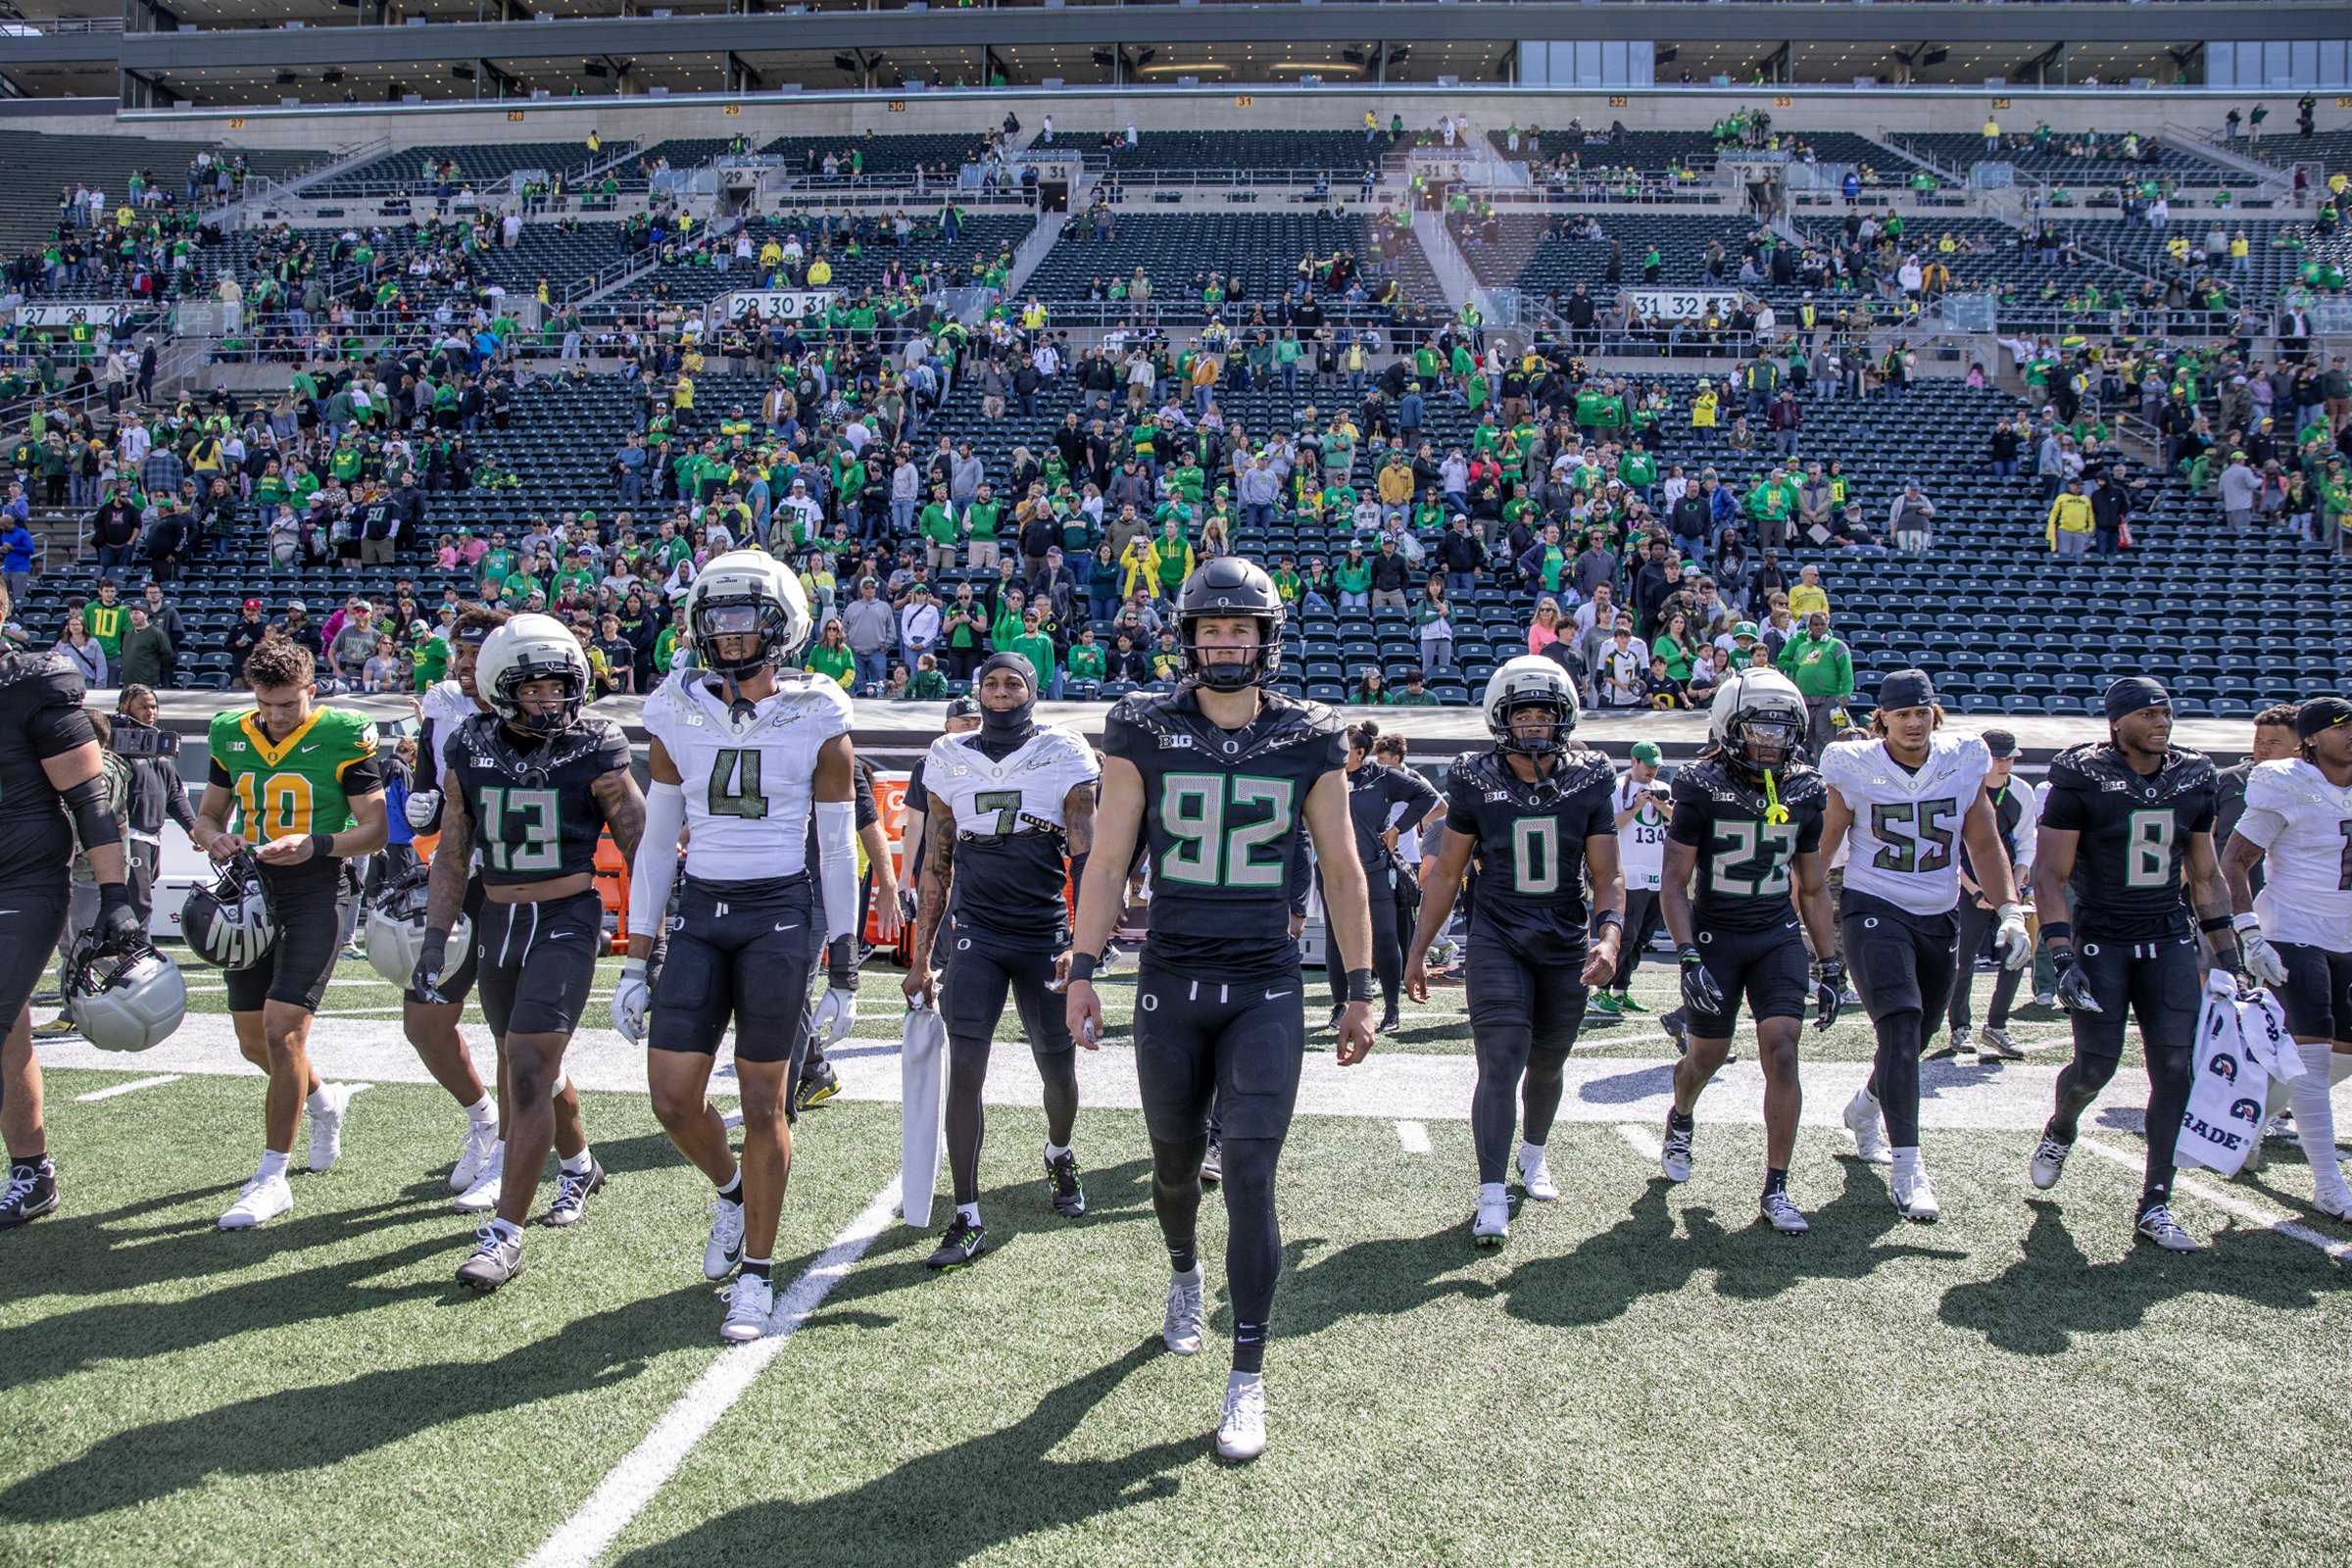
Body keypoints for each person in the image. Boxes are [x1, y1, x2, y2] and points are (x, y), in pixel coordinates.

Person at [1064, 558, 1376, 1463]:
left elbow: (1344, 870)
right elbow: (1111, 857)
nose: (1226, 642)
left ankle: (1248, 1376)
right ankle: (1182, 1271)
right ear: (1189, 638)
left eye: (1241, 629)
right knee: (1170, 1170)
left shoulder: (1308, 735)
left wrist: (1357, 988)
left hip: (1265, 983)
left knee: (1247, 1174)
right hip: (1170, 975)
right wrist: (1084, 966)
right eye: (1212, 629)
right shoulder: (1143, 727)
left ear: (1267, 640)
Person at [615, 552, 859, 1342]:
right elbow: (655, 846)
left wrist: (846, 967)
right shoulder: (672, 709)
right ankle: (730, 1189)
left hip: (779, 915)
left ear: (779, 625)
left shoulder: (819, 713)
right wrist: (633, 956)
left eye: (744, 619)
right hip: (701, 911)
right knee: (671, 1099)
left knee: (764, 1101)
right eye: (716, 620)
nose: (728, 635)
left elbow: (833, 847)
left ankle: (756, 1273)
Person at [413, 614, 642, 1290]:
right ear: (498, 687)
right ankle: (579, 1167)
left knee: (529, 1069)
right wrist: (435, 935)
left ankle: (504, 1236)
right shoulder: (468, 743)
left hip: (568, 914)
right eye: (533, 690)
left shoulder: (597, 742)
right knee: (526, 1060)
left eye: (557, 688)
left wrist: (660, 935)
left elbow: (639, 841)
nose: (549, 702)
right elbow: (453, 852)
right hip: (498, 916)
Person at [1403, 658, 1623, 1246]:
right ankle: (1491, 1192)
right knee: (1500, 1058)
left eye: (1542, 714)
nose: (1532, 725)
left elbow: (1608, 874)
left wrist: (1609, 936)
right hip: (1499, 932)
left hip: (1563, 935)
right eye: (1521, 714)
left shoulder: (1592, 776)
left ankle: (1533, 1153)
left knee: (1548, 1063)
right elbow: (1448, 872)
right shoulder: (1475, 776)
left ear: (1565, 717)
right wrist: (1418, 947)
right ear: (1501, 719)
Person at [903, 653, 1100, 1269]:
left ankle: (1059, 1152)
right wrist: (920, 957)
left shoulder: (1064, 751)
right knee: (966, 1068)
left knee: (1056, 1068)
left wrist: (1082, 945)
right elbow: (936, 865)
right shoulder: (947, 757)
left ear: (1033, 690)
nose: (1002, 690)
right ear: (977, 691)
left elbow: (1087, 859)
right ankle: (965, 1213)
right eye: (991, 682)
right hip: (977, 934)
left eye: (1014, 682)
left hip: (1043, 930)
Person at [2028, 677, 2238, 1253]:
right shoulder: (2081, 776)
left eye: (2165, 711)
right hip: (2104, 939)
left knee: (2175, 1068)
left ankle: (2157, 1201)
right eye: (2147, 713)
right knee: (2095, 1068)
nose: (2161, 721)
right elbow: (2049, 875)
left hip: (2168, 935)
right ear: (2117, 722)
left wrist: (2229, 954)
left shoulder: (2195, 776)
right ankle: (2061, 1126)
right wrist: (2061, 950)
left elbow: (2205, 874)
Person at [192, 635, 389, 1229]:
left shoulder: (343, 735)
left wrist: (317, 844)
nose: (275, 717)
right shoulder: (232, 731)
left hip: (316, 890)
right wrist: (214, 839)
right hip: (252, 892)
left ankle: (271, 1177)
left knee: (281, 1033)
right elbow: (206, 816)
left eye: (287, 704)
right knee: (256, 1043)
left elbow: (376, 830)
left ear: (311, 689)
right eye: (266, 704)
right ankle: (324, 1102)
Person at [1819, 672, 2030, 1222]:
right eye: (1901, 713)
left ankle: (1866, 1105)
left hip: (1938, 913)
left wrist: (2009, 908)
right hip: (1874, 906)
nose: (1913, 722)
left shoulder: (1963, 759)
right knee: (1901, 1022)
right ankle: (1909, 1169)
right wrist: (1802, 907)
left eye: (1922, 712)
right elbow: (1825, 846)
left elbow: (1982, 838)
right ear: (1881, 717)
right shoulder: (1853, 764)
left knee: (1920, 1031)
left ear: (1935, 714)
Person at [1655, 668, 1840, 1234]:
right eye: (1759, 730)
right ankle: (1681, 1113)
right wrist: (1687, 955)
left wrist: (1831, 961)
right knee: (1704, 1060)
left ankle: (1777, 1185)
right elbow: (1673, 882)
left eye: (1783, 732)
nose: (1772, 742)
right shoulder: (1700, 784)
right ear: (1729, 727)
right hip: (1716, 936)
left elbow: (1811, 886)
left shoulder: (1807, 787)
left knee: (1783, 1050)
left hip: (1776, 935)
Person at [0, 583, 144, 1227]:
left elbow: (90, 802)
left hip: (19, 878)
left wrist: (115, 897)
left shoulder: (34, 682)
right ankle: (33, 1172)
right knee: (10, 1029)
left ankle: (31, 1171)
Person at [2220, 695, 2352, 1218]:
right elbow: (2235, 861)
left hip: (2346, 932)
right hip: (2293, 929)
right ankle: (2328, 1185)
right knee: (2314, 1056)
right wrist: (2250, 934)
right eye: (2343, 726)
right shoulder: (2287, 782)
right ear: (2313, 739)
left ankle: (2247, 1121)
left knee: (2342, 1054)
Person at [399, 610, 509, 1209]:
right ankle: (483, 1119)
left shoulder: (529, 704)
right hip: (457, 879)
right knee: (425, 1019)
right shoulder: (441, 706)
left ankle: (528, 1152)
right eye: (460, 657)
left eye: (478, 656)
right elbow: (428, 776)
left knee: (511, 1031)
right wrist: (422, 801)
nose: (467, 668)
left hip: (520, 882)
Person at [1327, 719, 1442, 1035]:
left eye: (1344, 749)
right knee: (1336, 939)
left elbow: (1426, 797)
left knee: (1385, 937)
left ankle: (1391, 1008)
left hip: (1375, 869)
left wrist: (1397, 829)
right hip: (1332, 870)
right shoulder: (1325, 774)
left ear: (1361, 752)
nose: (1336, 753)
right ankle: (1339, 1004)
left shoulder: (1381, 776)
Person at [1941, 727, 2040, 1061]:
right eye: (1998, 759)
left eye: (2009, 758)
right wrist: (1974, 889)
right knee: (1962, 959)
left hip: (2008, 885)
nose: (2004, 765)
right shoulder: (1964, 787)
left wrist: (2011, 887)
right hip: (1967, 885)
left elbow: (2027, 842)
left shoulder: (2021, 792)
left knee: (2016, 955)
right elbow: (1948, 846)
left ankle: (1997, 1025)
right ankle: (1960, 1027)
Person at [1592, 740, 1668, 1018]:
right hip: (1630, 872)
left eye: (1656, 767)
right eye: (1648, 766)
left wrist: (1663, 807)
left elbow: (1678, 820)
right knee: (1626, 936)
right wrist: (1635, 808)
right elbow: (1608, 826)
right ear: (1634, 761)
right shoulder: (1616, 786)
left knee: (1642, 938)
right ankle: (1600, 990)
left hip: (1656, 872)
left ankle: (1620, 990)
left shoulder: (1663, 788)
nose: (1652, 772)